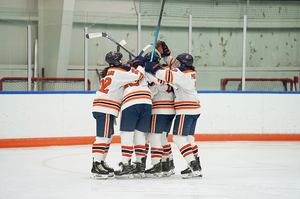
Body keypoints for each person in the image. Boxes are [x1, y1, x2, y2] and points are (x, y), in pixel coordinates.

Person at [145, 40, 203, 179]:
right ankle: (196, 165)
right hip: (193, 109)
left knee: (178, 137)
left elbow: (162, 74)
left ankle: (193, 166)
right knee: (189, 138)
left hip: (186, 110)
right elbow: (171, 67)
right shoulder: (187, 71)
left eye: (177, 61)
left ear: (182, 64)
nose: (174, 63)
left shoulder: (180, 74)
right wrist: (166, 55)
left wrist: (152, 66)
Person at [91, 51, 145, 179]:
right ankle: (96, 164)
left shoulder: (111, 72)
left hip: (105, 108)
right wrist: (139, 65)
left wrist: (129, 66)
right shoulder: (118, 72)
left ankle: (101, 162)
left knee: (107, 137)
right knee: (103, 138)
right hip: (105, 108)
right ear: (117, 61)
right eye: (121, 60)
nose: (123, 61)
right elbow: (139, 76)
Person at [114, 55, 152, 178]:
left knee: (126, 134)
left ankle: (126, 165)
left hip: (131, 103)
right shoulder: (143, 71)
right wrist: (143, 64)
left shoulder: (123, 72)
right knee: (140, 135)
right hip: (147, 102)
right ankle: (140, 165)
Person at [143, 51, 176, 177]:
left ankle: (156, 165)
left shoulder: (152, 74)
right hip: (171, 110)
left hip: (159, 109)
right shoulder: (168, 71)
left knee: (155, 137)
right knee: (162, 137)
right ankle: (168, 164)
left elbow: (152, 92)